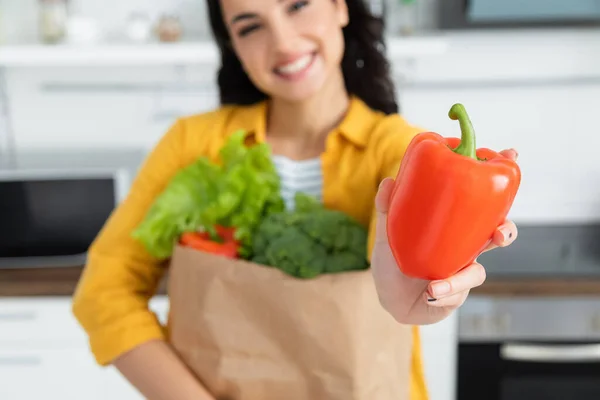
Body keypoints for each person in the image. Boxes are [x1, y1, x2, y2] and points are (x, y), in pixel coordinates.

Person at [72, 0, 519, 399]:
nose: (282, 42)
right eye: (250, 26)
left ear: (341, 7)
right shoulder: (192, 143)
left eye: (298, 5)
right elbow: (103, 293)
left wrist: (421, 294)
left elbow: (406, 276)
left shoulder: (403, 151)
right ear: (233, 45)